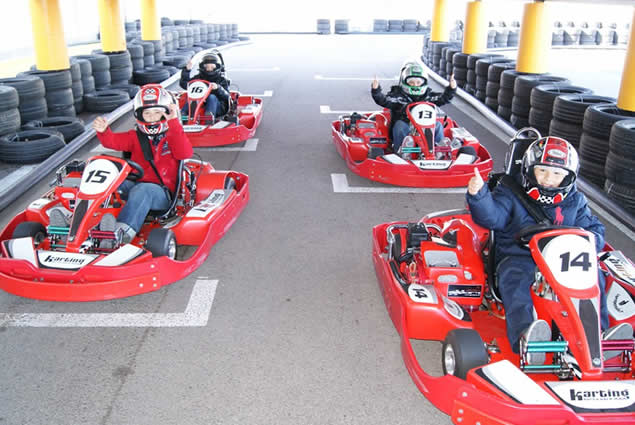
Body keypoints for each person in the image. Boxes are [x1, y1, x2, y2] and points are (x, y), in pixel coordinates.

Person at [466, 136, 631, 364]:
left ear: (569, 177)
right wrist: (479, 195)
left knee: (595, 278)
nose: (548, 180)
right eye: (542, 171)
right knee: (518, 282)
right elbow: (491, 216)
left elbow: (594, 229)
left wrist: (589, 240)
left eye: (556, 174)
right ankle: (526, 340)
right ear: (528, 170)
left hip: (564, 261)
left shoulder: (574, 200)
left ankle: (597, 337)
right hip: (520, 256)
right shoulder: (510, 193)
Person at [91, 84, 193, 246]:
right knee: (109, 182)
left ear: (166, 112)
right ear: (140, 115)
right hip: (136, 185)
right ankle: (90, 226)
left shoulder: (172, 136)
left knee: (143, 190)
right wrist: (104, 131)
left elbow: (184, 153)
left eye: (157, 112)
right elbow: (113, 142)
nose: (152, 117)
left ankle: (120, 236)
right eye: (147, 113)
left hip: (163, 195)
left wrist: (173, 123)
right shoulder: (135, 137)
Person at [371, 62, 456, 153]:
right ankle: (402, 152)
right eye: (411, 82)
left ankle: (439, 151)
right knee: (400, 126)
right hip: (406, 126)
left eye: (418, 82)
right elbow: (383, 100)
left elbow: (444, 98)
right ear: (404, 82)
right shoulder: (398, 96)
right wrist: (376, 90)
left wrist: (451, 89)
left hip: (425, 127)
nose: (415, 85)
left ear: (424, 83)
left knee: (438, 125)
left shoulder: (428, 96)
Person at [179, 52, 230, 120]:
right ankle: (183, 114)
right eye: (207, 66)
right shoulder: (198, 78)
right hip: (199, 104)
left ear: (217, 67)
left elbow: (227, 96)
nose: (209, 69)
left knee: (212, 97)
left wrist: (218, 88)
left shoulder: (222, 79)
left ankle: (209, 117)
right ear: (202, 66)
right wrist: (186, 71)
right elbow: (185, 85)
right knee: (192, 97)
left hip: (218, 107)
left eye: (212, 67)